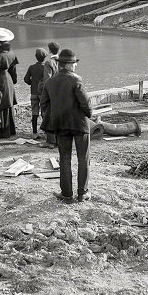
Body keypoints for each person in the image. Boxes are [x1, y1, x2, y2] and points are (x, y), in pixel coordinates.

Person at [40, 49, 93, 203]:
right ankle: (82, 193)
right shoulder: (76, 80)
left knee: (64, 158)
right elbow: (86, 103)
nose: (75, 66)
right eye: (74, 63)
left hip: (60, 124)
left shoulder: (50, 82)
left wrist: (54, 115)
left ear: (59, 64)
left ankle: (67, 195)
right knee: (83, 158)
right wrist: (88, 114)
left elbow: (44, 104)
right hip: (79, 124)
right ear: (69, 65)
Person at [24, 48, 51, 138]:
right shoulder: (46, 68)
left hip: (34, 92)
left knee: (34, 113)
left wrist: (31, 83)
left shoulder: (31, 67)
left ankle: (35, 133)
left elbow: (26, 79)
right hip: (43, 94)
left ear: (36, 57)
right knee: (44, 113)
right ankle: (46, 132)